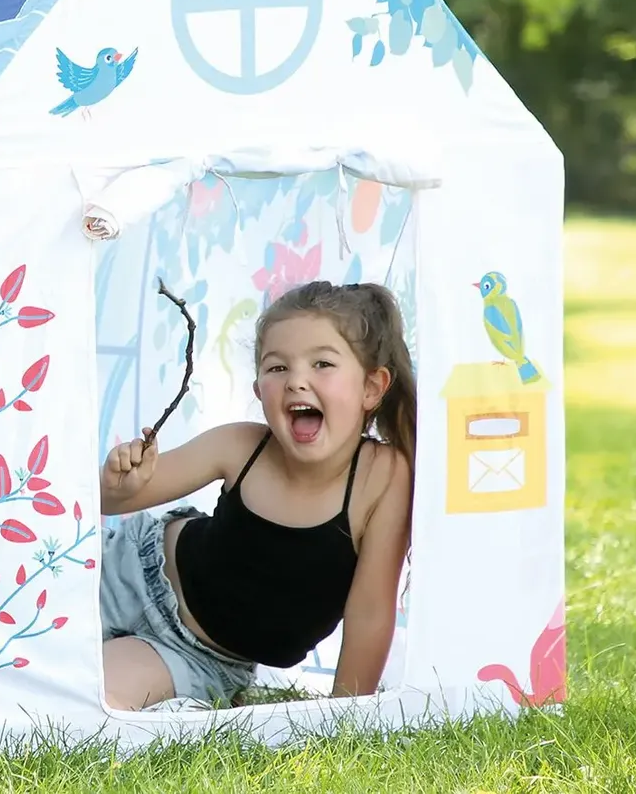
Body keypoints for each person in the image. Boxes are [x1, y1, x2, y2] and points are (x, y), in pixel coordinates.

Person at [98, 280, 416, 711]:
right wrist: (121, 485)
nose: (296, 382)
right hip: (128, 571)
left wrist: (346, 720)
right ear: (258, 389)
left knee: (91, 695)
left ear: (371, 388)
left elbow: (370, 613)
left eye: (322, 363)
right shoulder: (241, 446)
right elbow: (104, 503)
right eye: (277, 368)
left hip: (197, 655)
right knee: (9, 628)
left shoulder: (383, 477)